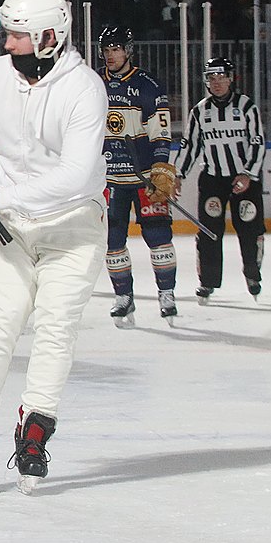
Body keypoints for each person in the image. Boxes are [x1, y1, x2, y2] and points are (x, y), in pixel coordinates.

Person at [0, 0, 107, 494]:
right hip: (10, 231)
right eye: (7, 33)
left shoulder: (83, 88)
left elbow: (76, 175)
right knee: (2, 319)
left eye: (17, 35)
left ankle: (36, 429)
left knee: (56, 327)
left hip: (72, 226)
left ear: (48, 36)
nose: (7, 43)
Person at [96, 24, 178, 326]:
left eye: (115, 49)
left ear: (128, 51)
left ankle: (166, 293)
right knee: (112, 241)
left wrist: (159, 169)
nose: (110, 55)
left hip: (144, 178)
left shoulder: (148, 86)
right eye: (106, 50)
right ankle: (123, 297)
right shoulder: (93, 84)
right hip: (109, 179)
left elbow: (161, 134)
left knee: (158, 237)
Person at [174, 57, 266, 301]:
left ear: (231, 78)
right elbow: (190, 146)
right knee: (209, 232)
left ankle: (252, 274)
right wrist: (178, 174)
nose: (216, 83)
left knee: (250, 229)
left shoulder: (247, 107)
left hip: (244, 180)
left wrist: (247, 174)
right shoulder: (200, 111)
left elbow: (257, 143)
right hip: (213, 179)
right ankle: (208, 281)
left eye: (221, 77)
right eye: (211, 78)